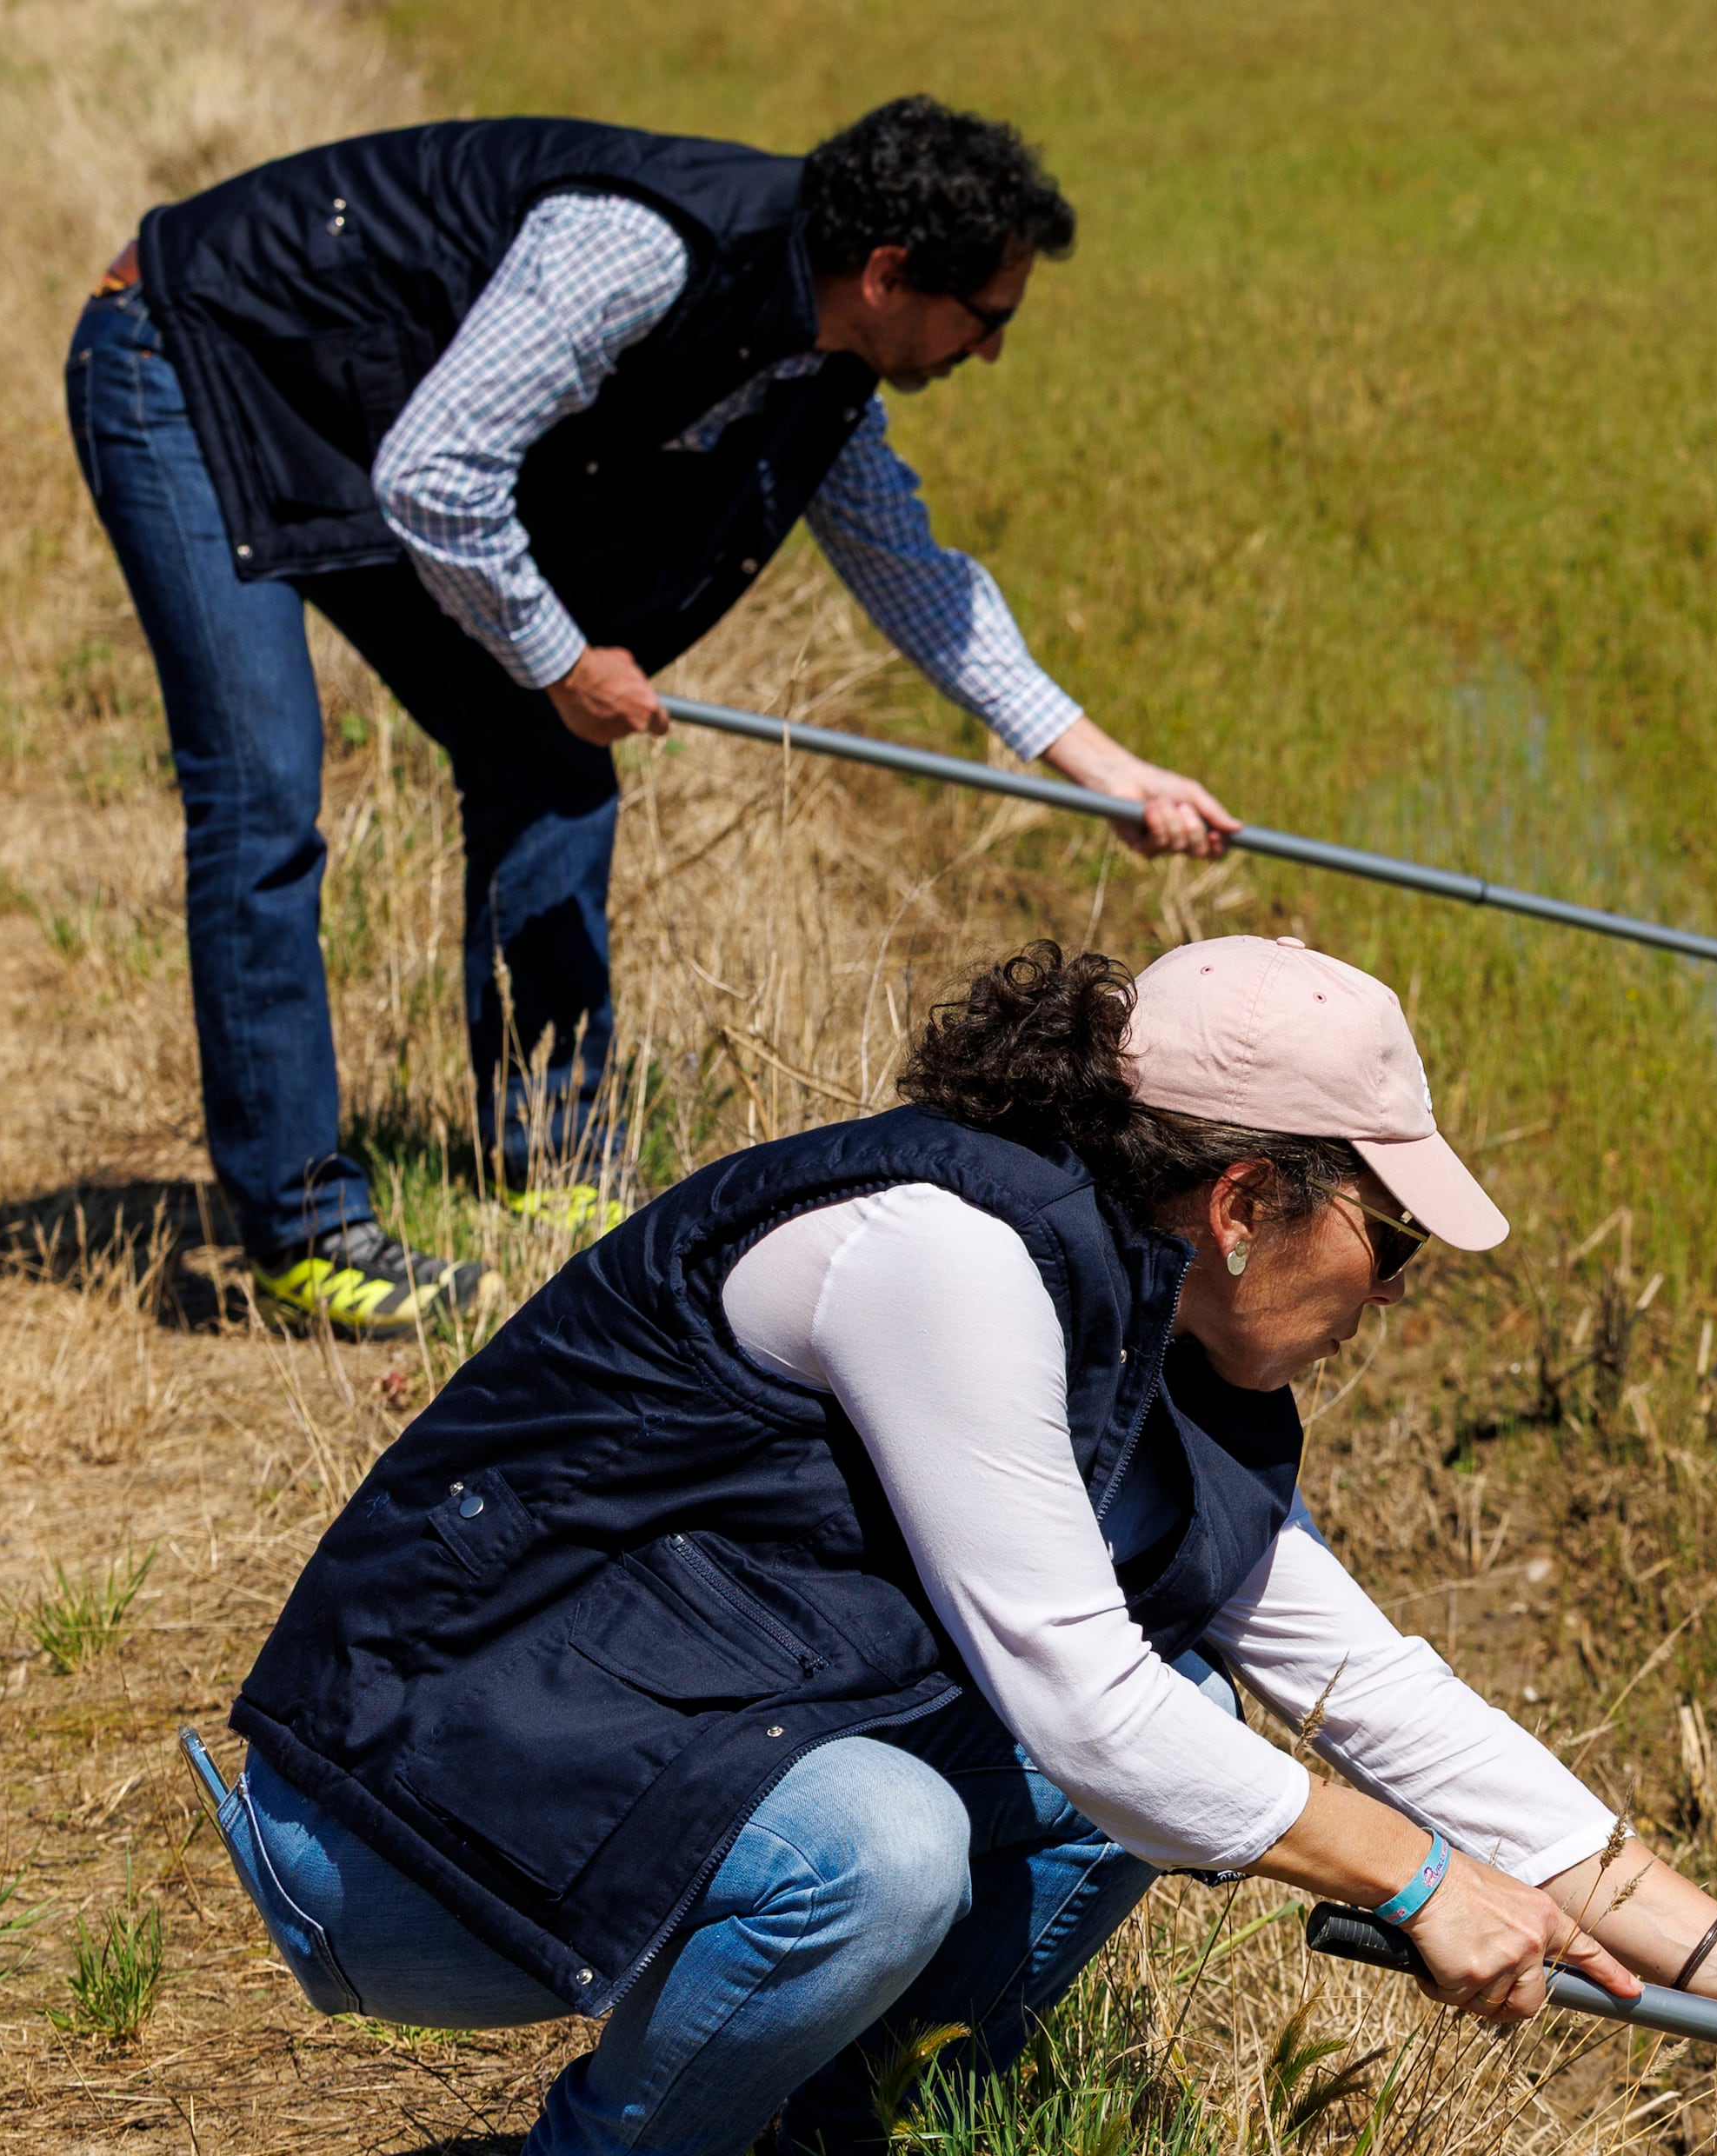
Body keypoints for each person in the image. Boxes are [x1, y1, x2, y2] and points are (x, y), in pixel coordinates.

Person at [195, 935, 1717, 2156]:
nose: (1395, 1304)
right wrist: (1411, 1882)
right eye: (1390, 1243)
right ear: (1250, 1198)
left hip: (601, 1754)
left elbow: (1360, 1680)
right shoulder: (944, 1258)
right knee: (891, 1840)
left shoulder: (1141, 1331)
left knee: (1158, 1716)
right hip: (400, 1816)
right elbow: (1084, 1703)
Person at [69, 97, 1232, 1334]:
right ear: (890, 275)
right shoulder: (643, 251)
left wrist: (1101, 765)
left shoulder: (821, 358)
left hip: (361, 412)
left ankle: (554, 1168)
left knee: (543, 752)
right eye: (987, 318)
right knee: (263, 793)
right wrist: (565, 656)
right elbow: (434, 476)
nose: (991, 352)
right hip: (191, 360)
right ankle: (304, 1230)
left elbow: (916, 575)